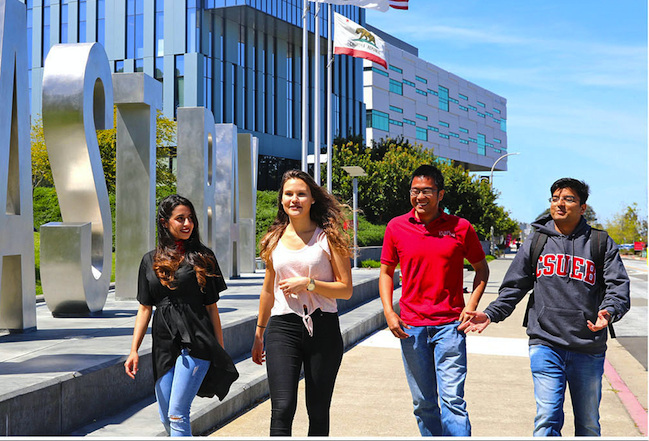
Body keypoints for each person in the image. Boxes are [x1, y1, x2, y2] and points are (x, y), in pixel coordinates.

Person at [459, 177, 630, 436]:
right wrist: (491, 314)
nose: (560, 204)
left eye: (568, 199)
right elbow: (515, 286)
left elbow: (618, 288)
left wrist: (609, 311)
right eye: (555, 198)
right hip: (545, 342)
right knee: (547, 417)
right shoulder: (536, 241)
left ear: (583, 207)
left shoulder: (600, 242)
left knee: (588, 423)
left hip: (588, 347)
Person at [379, 164, 489, 437]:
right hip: (411, 327)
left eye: (427, 191)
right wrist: (389, 313)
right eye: (415, 191)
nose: (420, 197)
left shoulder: (460, 228)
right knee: (423, 403)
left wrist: (471, 306)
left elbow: (482, 269)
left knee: (452, 401)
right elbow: (385, 272)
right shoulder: (396, 227)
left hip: (450, 327)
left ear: (440, 194)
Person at [124, 194, 238, 437]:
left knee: (177, 413)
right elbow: (145, 307)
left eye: (190, 218)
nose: (187, 224)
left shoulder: (203, 256)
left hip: (197, 341)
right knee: (166, 415)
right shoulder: (149, 260)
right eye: (180, 219)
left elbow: (211, 307)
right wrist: (134, 350)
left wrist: (219, 347)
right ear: (165, 222)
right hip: (163, 344)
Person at [251, 169, 354, 436]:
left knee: (318, 411)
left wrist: (308, 284)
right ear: (282, 200)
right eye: (288, 194)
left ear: (312, 199)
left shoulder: (329, 238)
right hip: (282, 327)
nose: (294, 199)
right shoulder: (273, 239)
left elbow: (345, 290)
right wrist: (259, 332)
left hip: (323, 329)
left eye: (301, 194)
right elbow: (267, 291)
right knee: (282, 408)